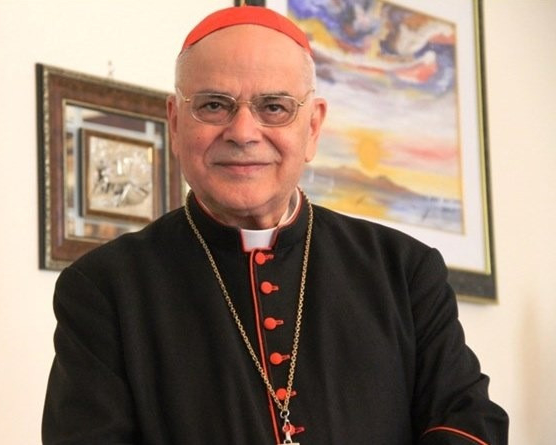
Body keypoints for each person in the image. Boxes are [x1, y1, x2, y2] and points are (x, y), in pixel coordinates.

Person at [42, 5, 508, 444]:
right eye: (214, 105)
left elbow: (467, 420)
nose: (243, 133)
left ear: (313, 127)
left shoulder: (405, 271)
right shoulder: (103, 289)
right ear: (176, 123)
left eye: (274, 107)